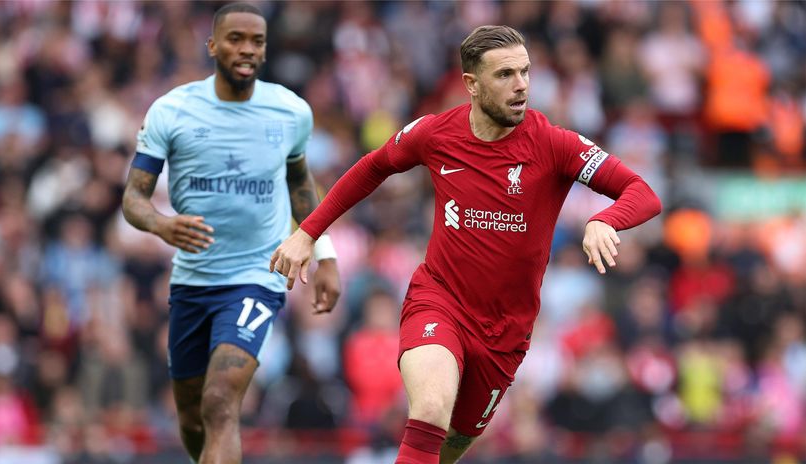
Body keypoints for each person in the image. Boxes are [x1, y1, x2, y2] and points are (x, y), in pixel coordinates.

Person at [271, 25, 661, 464]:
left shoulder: (554, 144)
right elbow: (373, 167)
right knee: (431, 409)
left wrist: (604, 220)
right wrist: (308, 232)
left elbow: (642, 192)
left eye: (525, 72)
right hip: (440, 301)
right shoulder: (437, 133)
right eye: (505, 74)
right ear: (472, 84)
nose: (521, 85)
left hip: (505, 333)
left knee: (448, 447)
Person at [121, 3, 341, 463]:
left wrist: (325, 255)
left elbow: (300, 184)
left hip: (256, 277)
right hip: (192, 282)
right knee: (192, 418)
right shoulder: (172, 111)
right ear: (212, 45)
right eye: (235, 39)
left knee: (221, 399)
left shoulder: (289, 111)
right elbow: (134, 198)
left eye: (256, 41)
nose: (247, 49)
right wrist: (161, 224)